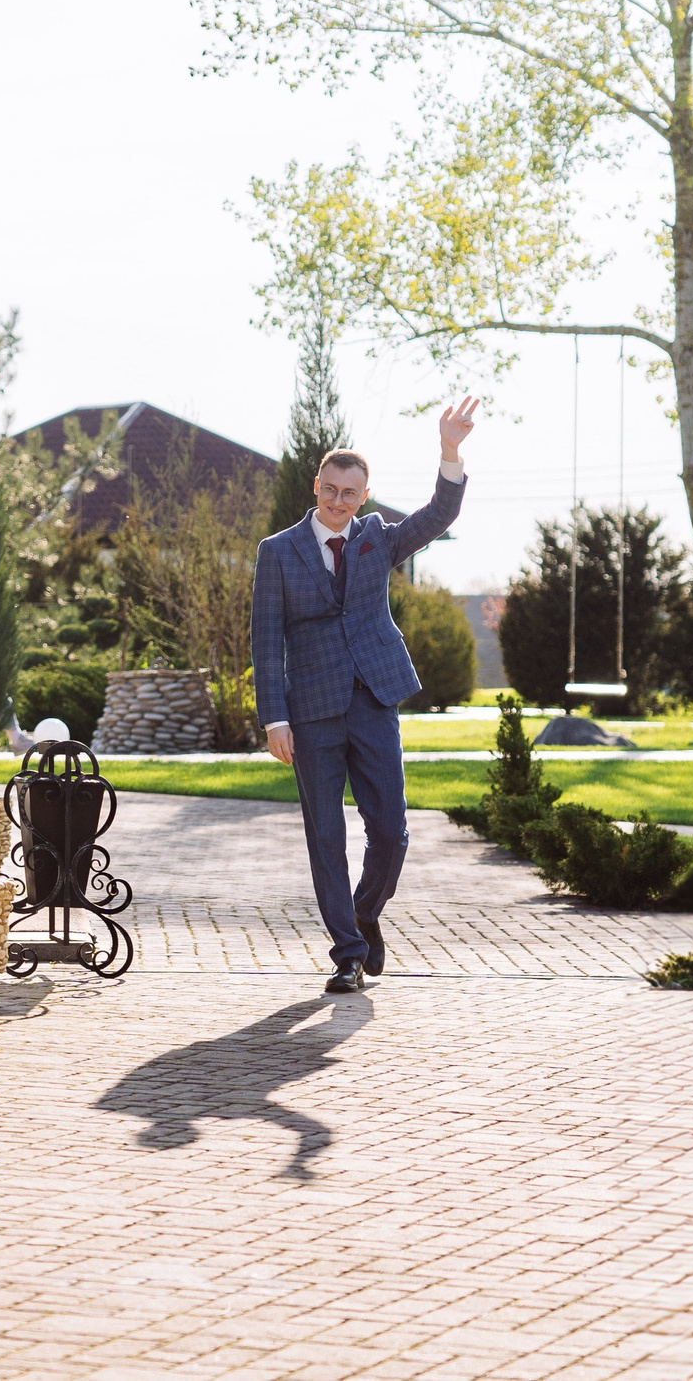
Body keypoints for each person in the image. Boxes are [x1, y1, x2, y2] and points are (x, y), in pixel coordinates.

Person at [251, 399, 476, 994]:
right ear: (316, 485)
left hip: (375, 700)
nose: (338, 502)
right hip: (312, 713)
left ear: (365, 496)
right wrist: (274, 718)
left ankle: (365, 912)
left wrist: (450, 451)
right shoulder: (277, 552)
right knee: (326, 836)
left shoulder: (379, 539)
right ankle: (347, 952)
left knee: (392, 833)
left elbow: (438, 515)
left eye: (350, 494)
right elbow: (265, 640)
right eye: (330, 490)